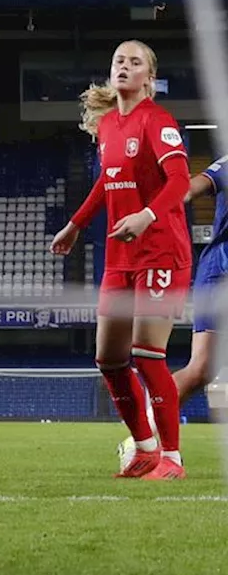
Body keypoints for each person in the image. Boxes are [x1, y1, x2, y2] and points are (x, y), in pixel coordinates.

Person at [51, 39, 191, 481]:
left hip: (161, 250)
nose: (124, 67)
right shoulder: (109, 126)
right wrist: (74, 225)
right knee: (109, 359)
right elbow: (104, 184)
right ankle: (145, 449)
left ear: (149, 77)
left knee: (148, 355)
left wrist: (146, 216)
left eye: (134, 62)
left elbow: (180, 181)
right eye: (118, 61)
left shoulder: (159, 121)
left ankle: (172, 458)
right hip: (119, 256)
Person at [118, 154, 228, 464]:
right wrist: (150, 213)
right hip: (222, 268)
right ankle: (142, 440)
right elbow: (191, 189)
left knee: (202, 370)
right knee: (200, 370)